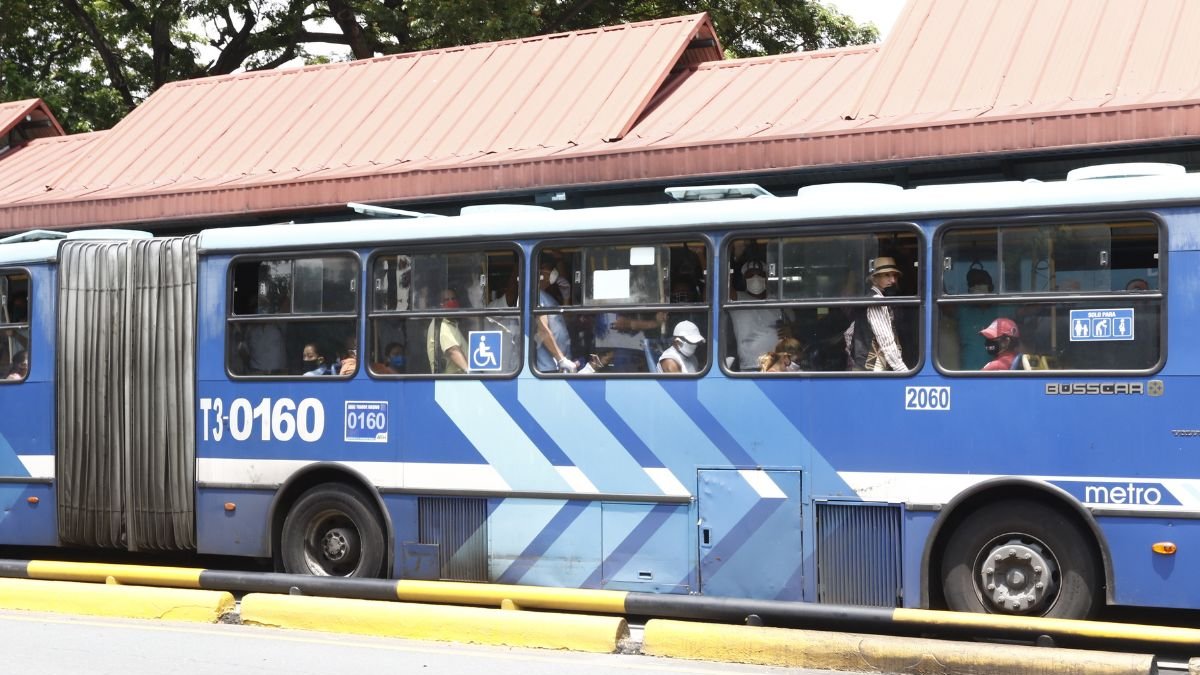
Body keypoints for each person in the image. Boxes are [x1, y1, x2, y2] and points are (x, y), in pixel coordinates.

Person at [848, 256, 907, 371]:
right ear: (874, 279)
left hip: (862, 365)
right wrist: (902, 370)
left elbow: (849, 333)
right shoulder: (877, 301)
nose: (893, 280)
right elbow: (886, 340)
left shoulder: (869, 298)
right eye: (887, 275)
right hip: (874, 368)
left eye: (894, 275)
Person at [728, 259, 785, 371]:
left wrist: (789, 331)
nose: (755, 278)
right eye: (750, 275)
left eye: (760, 274)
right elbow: (720, 286)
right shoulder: (737, 298)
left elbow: (793, 326)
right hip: (750, 366)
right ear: (744, 280)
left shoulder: (777, 302)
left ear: (767, 278)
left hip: (776, 366)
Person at [535, 258, 575, 373]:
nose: (553, 273)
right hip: (549, 367)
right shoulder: (537, 296)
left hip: (560, 364)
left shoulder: (549, 298)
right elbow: (542, 329)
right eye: (547, 268)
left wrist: (566, 298)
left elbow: (565, 322)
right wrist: (561, 359)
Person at [427, 289, 469, 374]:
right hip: (451, 381)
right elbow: (453, 351)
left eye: (453, 299)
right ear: (440, 305)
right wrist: (471, 372)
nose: (451, 302)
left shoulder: (451, 324)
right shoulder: (442, 324)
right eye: (446, 300)